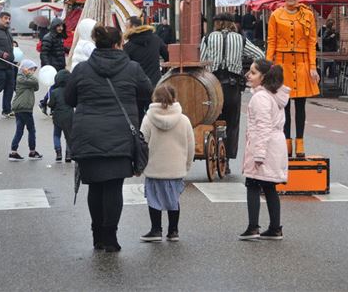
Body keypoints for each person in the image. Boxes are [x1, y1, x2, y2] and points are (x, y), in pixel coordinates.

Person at [65, 25, 152, 252]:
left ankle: (97, 236)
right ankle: (111, 238)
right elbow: (147, 92)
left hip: (88, 135)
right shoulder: (132, 68)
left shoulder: (82, 69)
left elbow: (69, 98)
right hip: (121, 135)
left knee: (95, 187)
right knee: (114, 188)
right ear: (118, 43)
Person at [200, 13, 265, 173]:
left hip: (213, 86)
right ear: (231, 24)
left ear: (217, 23)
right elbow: (260, 55)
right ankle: (226, 159)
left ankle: (213, 152)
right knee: (232, 123)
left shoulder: (208, 38)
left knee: (213, 120)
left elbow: (201, 61)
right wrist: (247, 69)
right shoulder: (240, 39)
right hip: (233, 86)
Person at [266, 0, 320, 158]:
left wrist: (313, 66)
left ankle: (300, 142)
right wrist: (268, 65)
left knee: (301, 106)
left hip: (302, 62)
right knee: (285, 106)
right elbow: (271, 41)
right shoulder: (275, 15)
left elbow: (312, 42)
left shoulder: (308, 15)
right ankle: (286, 142)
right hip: (282, 63)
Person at [239, 58, 289, 241]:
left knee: (252, 184)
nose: (248, 75)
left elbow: (262, 127)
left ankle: (253, 227)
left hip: (264, 147)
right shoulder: (274, 95)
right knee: (269, 187)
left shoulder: (260, 98)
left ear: (264, 77)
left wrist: (258, 154)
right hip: (275, 145)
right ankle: (275, 228)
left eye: (253, 73)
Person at [139, 84, 195, 242]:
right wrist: (187, 165)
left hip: (154, 167)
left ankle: (156, 230)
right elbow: (190, 145)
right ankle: (173, 231)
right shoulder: (183, 120)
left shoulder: (148, 119)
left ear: (154, 98)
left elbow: (142, 144)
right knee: (173, 200)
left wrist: (140, 165)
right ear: (174, 98)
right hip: (175, 168)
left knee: (153, 199)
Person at [8, 60, 42, 161]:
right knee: (31, 130)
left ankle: (14, 151)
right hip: (24, 108)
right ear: (25, 69)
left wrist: (29, 74)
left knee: (20, 130)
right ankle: (32, 151)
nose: (32, 72)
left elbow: (36, 87)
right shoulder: (21, 78)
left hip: (22, 108)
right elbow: (35, 82)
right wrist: (28, 74)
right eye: (31, 69)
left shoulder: (25, 78)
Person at [48, 69, 73, 163]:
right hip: (69, 115)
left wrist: (49, 103)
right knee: (69, 136)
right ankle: (68, 154)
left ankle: (58, 153)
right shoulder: (70, 91)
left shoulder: (54, 92)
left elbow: (51, 104)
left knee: (56, 134)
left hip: (58, 115)